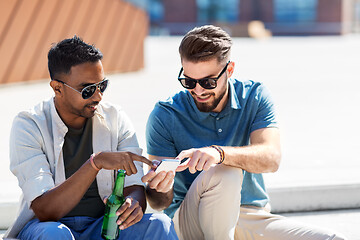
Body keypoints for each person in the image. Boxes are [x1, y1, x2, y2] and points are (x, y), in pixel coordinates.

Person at [141, 25, 347, 240]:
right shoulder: (165, 114)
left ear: (229, 70)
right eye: (189, 81)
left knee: (333, 239)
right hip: (190, 221)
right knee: (224, 172)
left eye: (208, 82)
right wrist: (161, 187)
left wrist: (219, 153)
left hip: (249, 216)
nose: (198, 90)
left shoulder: (254, 96)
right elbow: (158, 203)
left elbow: (271, 158)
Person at [4, 36, 178, 240]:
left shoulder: (115, 118)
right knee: (54, 234)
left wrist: (132, 204)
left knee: (159, 224)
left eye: (102, 86)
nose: (98, 96)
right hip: (47, 227)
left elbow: (134, 187)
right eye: (87, 90)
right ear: (57, 88)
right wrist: (96, 163)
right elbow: (46, 211)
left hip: (105, 224)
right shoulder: (29, 125)